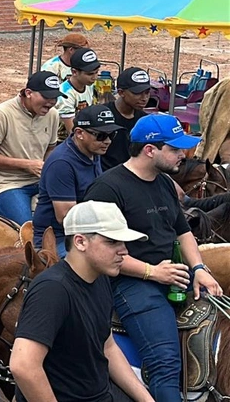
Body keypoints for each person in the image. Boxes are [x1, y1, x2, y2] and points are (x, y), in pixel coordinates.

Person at [83, 114, 223, 402]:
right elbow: (97, 253)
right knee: (165, 363)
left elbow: (182, 231)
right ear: (150, 150)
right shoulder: (107, 189)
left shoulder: (165, 183)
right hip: (129, 282)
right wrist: (152, 272)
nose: (183, 155)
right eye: (175, 149)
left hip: (172, 274)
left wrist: (199, 268)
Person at [11, 201, 154, 402]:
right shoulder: (52, 290)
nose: (124, 251)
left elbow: (107, 346)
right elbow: (23, 366)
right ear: (80, 242)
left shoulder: (100, 278)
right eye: (113, 242)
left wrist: (146, 399)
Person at [32, 105, 121, 258]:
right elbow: (66, 217)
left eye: (112, 135)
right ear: (79, 133)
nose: (108, 141)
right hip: (59, 237)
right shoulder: (62, 164)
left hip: (87, 231)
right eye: (101, 136)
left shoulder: (93, 151)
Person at [0, 71, 62, 224]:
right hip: (5, 184)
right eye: (46, 97)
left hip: (40, 182)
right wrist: (27, 164)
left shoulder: (53, 115)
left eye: (55, 98)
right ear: (28, 93)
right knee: (28, 229)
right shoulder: (1, 114)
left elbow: (50, 149)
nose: (51, 102)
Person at [95, 67, 151, 171]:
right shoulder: (101, 116)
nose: (144, 98)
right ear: (121, 92)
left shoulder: (144, 120)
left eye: (147, 92)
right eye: (137, 93)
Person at [57, 46, 101, 134]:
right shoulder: (65, 94)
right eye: (90, 74)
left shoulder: (89, 85)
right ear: (74, 72)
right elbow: (72, 132)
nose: (95, 77)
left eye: (96, 72)